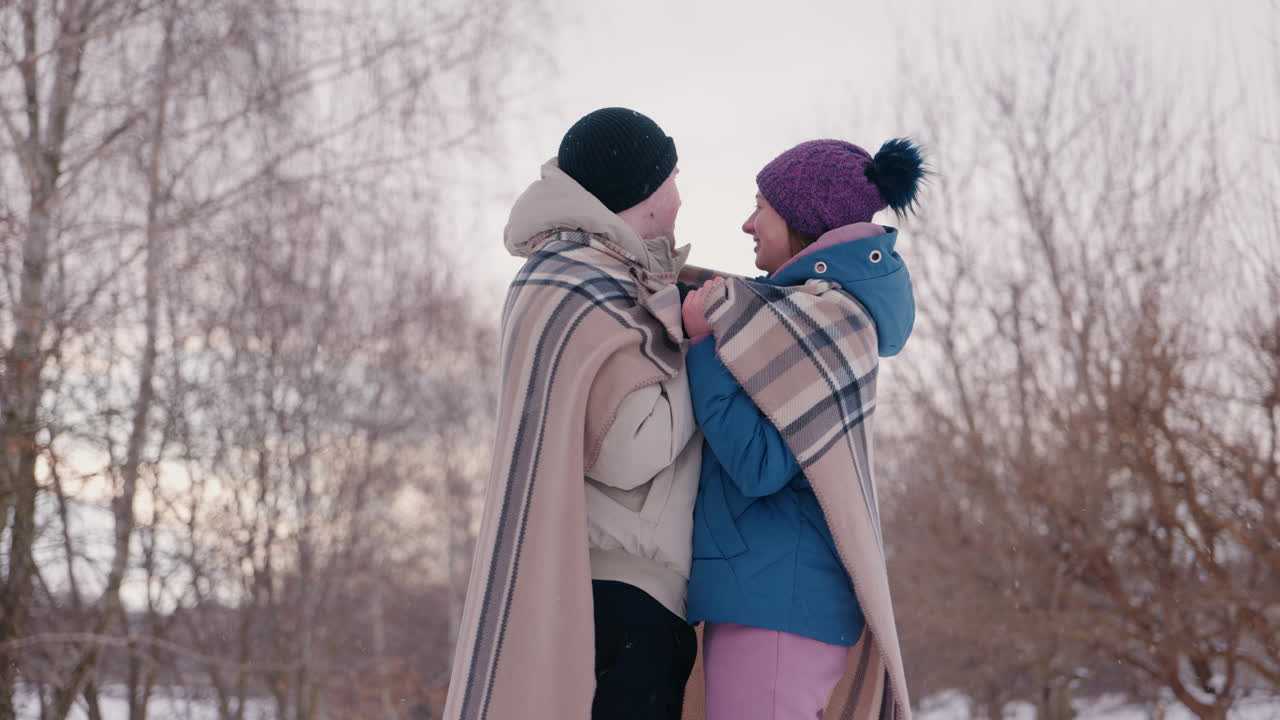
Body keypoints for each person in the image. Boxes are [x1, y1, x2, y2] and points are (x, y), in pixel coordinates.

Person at [443, 108, 701, 720]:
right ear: (644, 191)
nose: (680, 194)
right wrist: (696, 347)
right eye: (673, 178)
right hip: (623, 589)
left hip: (610, 587)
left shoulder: (583, 275)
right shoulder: (587, 279)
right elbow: (626, 451)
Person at [679, 138, 926, 720]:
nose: (747, 224)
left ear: (800, 217)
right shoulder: (802, 312)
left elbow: (762, 465)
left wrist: (704, 345)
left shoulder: (827, 319)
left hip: (777, 605)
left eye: (760, 206)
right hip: (769, 598)